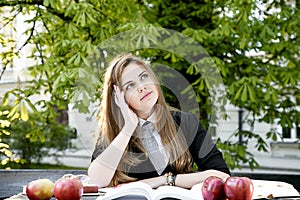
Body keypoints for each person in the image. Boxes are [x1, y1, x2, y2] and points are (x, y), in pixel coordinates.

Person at [88, 53, 230, 189]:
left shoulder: (186, 122)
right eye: (130, 85)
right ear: (118, 99)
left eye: (144, 77)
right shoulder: (114, 133)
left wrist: (166, 180)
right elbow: (97, 180)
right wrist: (128, 128)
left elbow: (222, 175)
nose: (142, 87)